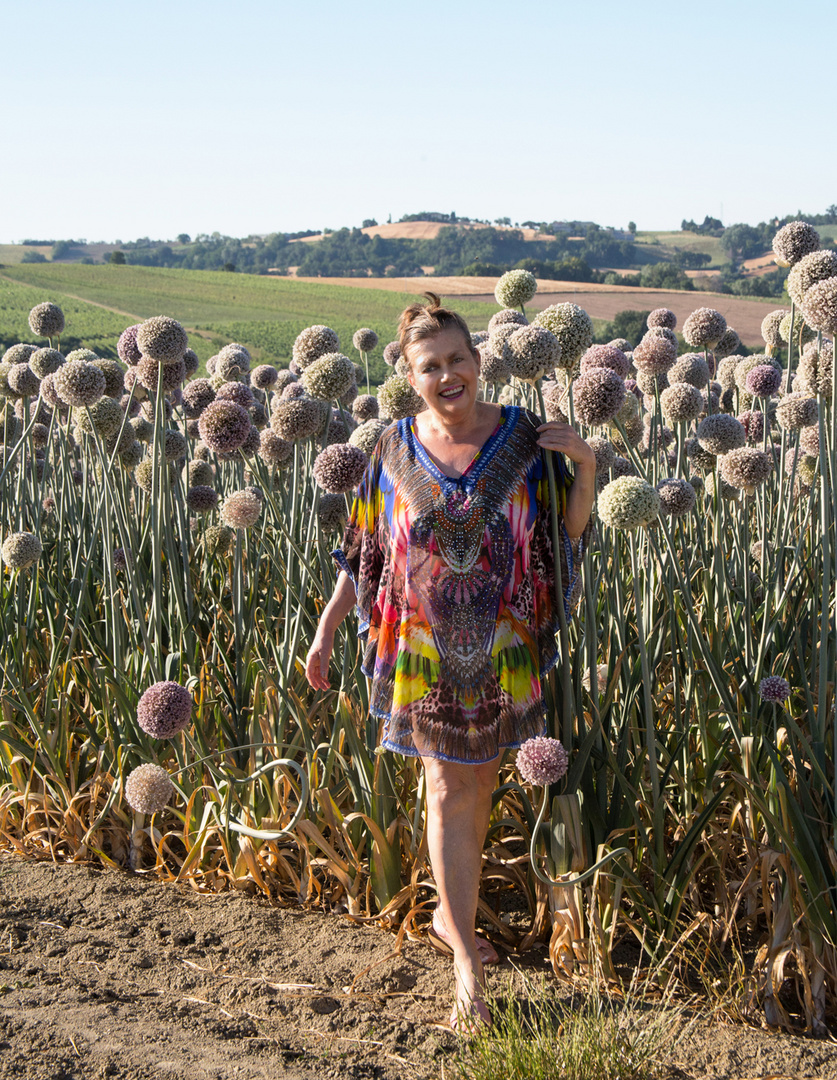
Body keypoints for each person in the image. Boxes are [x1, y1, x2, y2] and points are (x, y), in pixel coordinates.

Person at [305, 293, 595, 1030]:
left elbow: (566, 534)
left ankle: (447, 915)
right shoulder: (393, 447)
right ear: (410, 374)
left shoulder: (526, 439)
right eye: (429, 365)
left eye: (457, 359)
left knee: (479, 786)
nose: (447, 374)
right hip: (422, 657)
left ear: (477, 361)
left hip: (504, 648)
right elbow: (364, 550)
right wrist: (327, 625)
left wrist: (586, 468)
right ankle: (466, 959)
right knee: (444, 789)